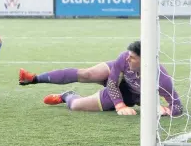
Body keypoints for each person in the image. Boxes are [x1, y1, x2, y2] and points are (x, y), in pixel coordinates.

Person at [25, 41, 183, 116]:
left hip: (130, 95)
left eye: (133, 58)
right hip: (116, 81)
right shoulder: (124, 59)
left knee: (76, 106)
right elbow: (112, 83)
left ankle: (66, 95)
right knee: (87, 74)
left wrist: (166, 110)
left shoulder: (162, 79)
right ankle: (36, 78)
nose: (128, 59)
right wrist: (120, 106)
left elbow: (178, 107)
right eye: (128, 56)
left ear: (145, 60)